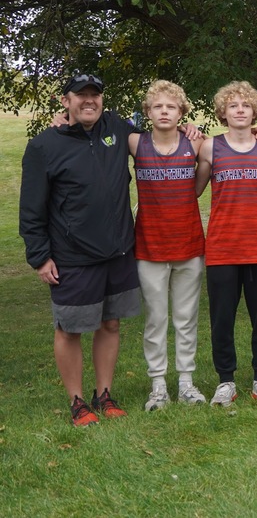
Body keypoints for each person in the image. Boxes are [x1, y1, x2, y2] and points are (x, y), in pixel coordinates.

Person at [20, 73, 142, 426]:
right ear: (65, 101)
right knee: (69, 329)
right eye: (80, 95)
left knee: (111, 324)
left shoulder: (116, 128)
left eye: (95, 95)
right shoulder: (44, 146)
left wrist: (190, 131)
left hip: (118, 251)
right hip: (72, 256)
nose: (89, 101)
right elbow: (31, 209)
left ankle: (103, 394)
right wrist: (40, 257)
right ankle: (76, 401)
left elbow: (158, 141)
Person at [195, 82, 257, 406]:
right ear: (223, 112)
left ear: (255, 111)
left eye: (246, 105)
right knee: (222, 319)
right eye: (233, 106)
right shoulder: (209, 148)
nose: (240, 110)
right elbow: (193, 192)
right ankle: (226, 381)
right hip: (222, 247)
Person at [131, 81, 207, 411]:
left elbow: (201, 183)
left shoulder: (196, 145)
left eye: (171, 107)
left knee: (186, 318)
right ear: (147, 112)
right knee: (156, 319)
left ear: (181, 113)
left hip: (189, 244)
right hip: (149, 246)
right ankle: (158, 385)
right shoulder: (135, 142)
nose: (164, 111)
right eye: (158, 106)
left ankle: (187, 383)